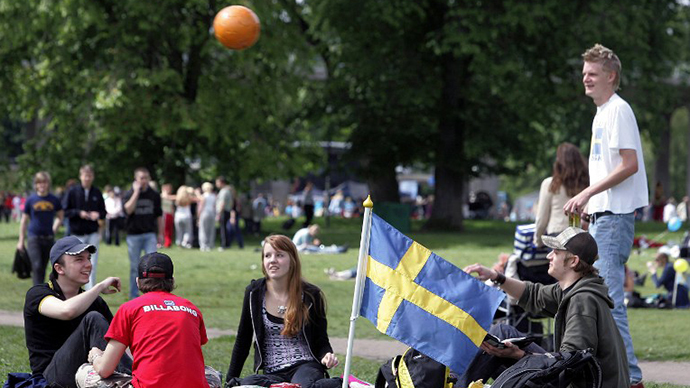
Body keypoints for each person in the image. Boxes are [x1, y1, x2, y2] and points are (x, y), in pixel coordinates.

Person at [563, 43, 648, 387]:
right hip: (603, 217)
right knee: (599, 300)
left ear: (611, 76)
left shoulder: (618, 110)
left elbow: (630, 165)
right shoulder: (601, 113)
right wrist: (590, 208)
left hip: (614, 219)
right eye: (584, 73)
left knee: (609, 303)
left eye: (592, 73)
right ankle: (613, 375)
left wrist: (587, 194)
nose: (586, 78)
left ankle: (633, 380)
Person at [462, 227, 629, 388]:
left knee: (501, 344)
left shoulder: (582, 301)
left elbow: (570, 362)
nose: (549, 256)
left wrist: (520, 355)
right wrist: (496, 276)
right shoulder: (575, 287)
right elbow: (533, 294)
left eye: (556, 253)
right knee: (502, 336)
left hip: (580, 382)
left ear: (573, 261)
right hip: (570, 373)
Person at [84, 252, 219, 388]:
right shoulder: (191, 308)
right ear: (172, 280)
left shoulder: (129, 308)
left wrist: (95, 356)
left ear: (137, 281)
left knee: (85, 373)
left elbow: (104, 370)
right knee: (211, 373)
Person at [226, 235, 340, 388]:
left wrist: (326, 355)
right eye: (267, 255)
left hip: (305, 366)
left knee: (303, 386)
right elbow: (243, 340)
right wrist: (230, 380)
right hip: (272, 373)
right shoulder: (254, 293)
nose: (272, 260)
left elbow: (321, 340)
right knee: (247, 384)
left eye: (279, 255)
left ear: (292, 260)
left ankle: (342, 384)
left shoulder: (311, 295)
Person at [23, 236, 132, 387]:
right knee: (92, 318)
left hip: (87, 373)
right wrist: (99, 286)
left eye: (89, 258)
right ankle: (133, 379)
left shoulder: (95, 302)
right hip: (51, 377)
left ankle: (134, 377)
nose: (88, 264)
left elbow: (119, 340)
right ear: (59, 268)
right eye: (79, 259)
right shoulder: (38, 294)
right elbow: (66, 310)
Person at [534, 143, 589, 247]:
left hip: (557, 234)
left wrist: (538, 240)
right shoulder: (587, 185)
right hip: (580, 235)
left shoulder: (550, 184)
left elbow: (541, 219)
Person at [63, 165, 107, 290]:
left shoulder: (97, 192)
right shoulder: (72, 192)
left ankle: (90, 290)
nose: (87, 178)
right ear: (80, 176)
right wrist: (79, 213)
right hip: (77, 233)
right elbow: (65, 211)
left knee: (92, 262)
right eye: (85, 176)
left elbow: (103, 212)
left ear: (92, 177)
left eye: (89, 176)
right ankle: (73, 288)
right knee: (75, 262)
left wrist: (97, 215)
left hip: (92, 232)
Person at [17, 172, 65, 285]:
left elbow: (60, 216)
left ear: (48, 184)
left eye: (44, 182)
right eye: (39, 182)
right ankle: (36, 295)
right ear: (36, 184)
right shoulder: (31, 200)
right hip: (34, 238)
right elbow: (24, 221)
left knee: (43, 268)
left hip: (48, 238)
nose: (42, 185)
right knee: (37, 266)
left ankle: (40, 291)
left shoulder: (54, 199)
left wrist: (54, 229)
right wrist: (21, 241)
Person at [123, 167, 163, 299]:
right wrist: (136, 192)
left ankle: (152, 295)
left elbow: (159, 216)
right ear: (136, 179)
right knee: (135, 267)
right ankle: (134, 296)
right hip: (133, 235)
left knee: (152, 265)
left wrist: (161, 234)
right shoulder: (129, 193)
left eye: (146, 178)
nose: (144, 181)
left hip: (149, 234)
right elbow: (128, 210)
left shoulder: (154, 195)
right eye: (141, 178)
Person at [198, 182, 217, 252]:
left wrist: (198, 216)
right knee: (211, 230)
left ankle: (203, 245)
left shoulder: (204, 196)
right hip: (212, 213)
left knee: (203, 230)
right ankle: (210, 245)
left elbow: (201, 207)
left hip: (205, 213)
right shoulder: (214, 196)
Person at [215, 176, 233, 250]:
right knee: (224, 228)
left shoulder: (224, 191)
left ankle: (224, 245)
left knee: (223, 229)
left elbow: (222, 203)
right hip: (226, 211)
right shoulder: (227, 191)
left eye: (217, 182)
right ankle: (227, 244)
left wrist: (219, 213)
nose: (216, 184)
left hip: (223, 211)